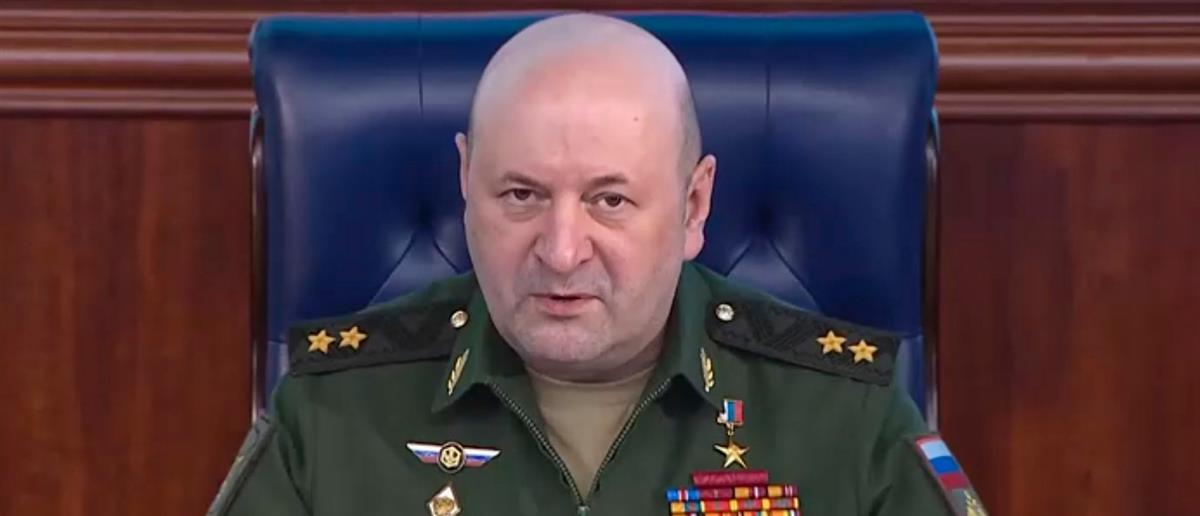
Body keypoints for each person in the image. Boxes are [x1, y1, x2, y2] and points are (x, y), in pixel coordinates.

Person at [209, 13, 986, 516]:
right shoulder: (331, 413)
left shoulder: (848, 417)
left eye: (610, 201)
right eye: (521, 195)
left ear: (693, 207)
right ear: (466, 184)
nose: (561, 250)